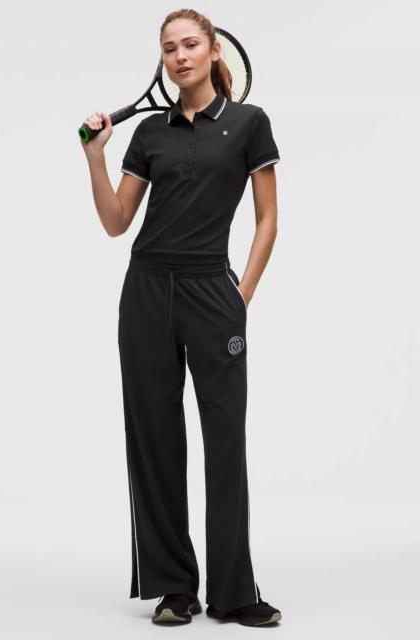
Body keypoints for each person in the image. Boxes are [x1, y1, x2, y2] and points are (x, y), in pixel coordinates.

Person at [80, 8, 283, 628]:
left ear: (215, 50)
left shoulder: (249, 123)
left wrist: (241, 296)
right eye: (169, 49)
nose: (179, 57)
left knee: (225, 440)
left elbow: (268, 218)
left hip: (211, 292)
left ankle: (234, 592)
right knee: (155, 439)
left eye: (190, 44)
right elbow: (116, 223)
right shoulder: (150, 134)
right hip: (145, 292)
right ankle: (174, 587)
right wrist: (94, 156)